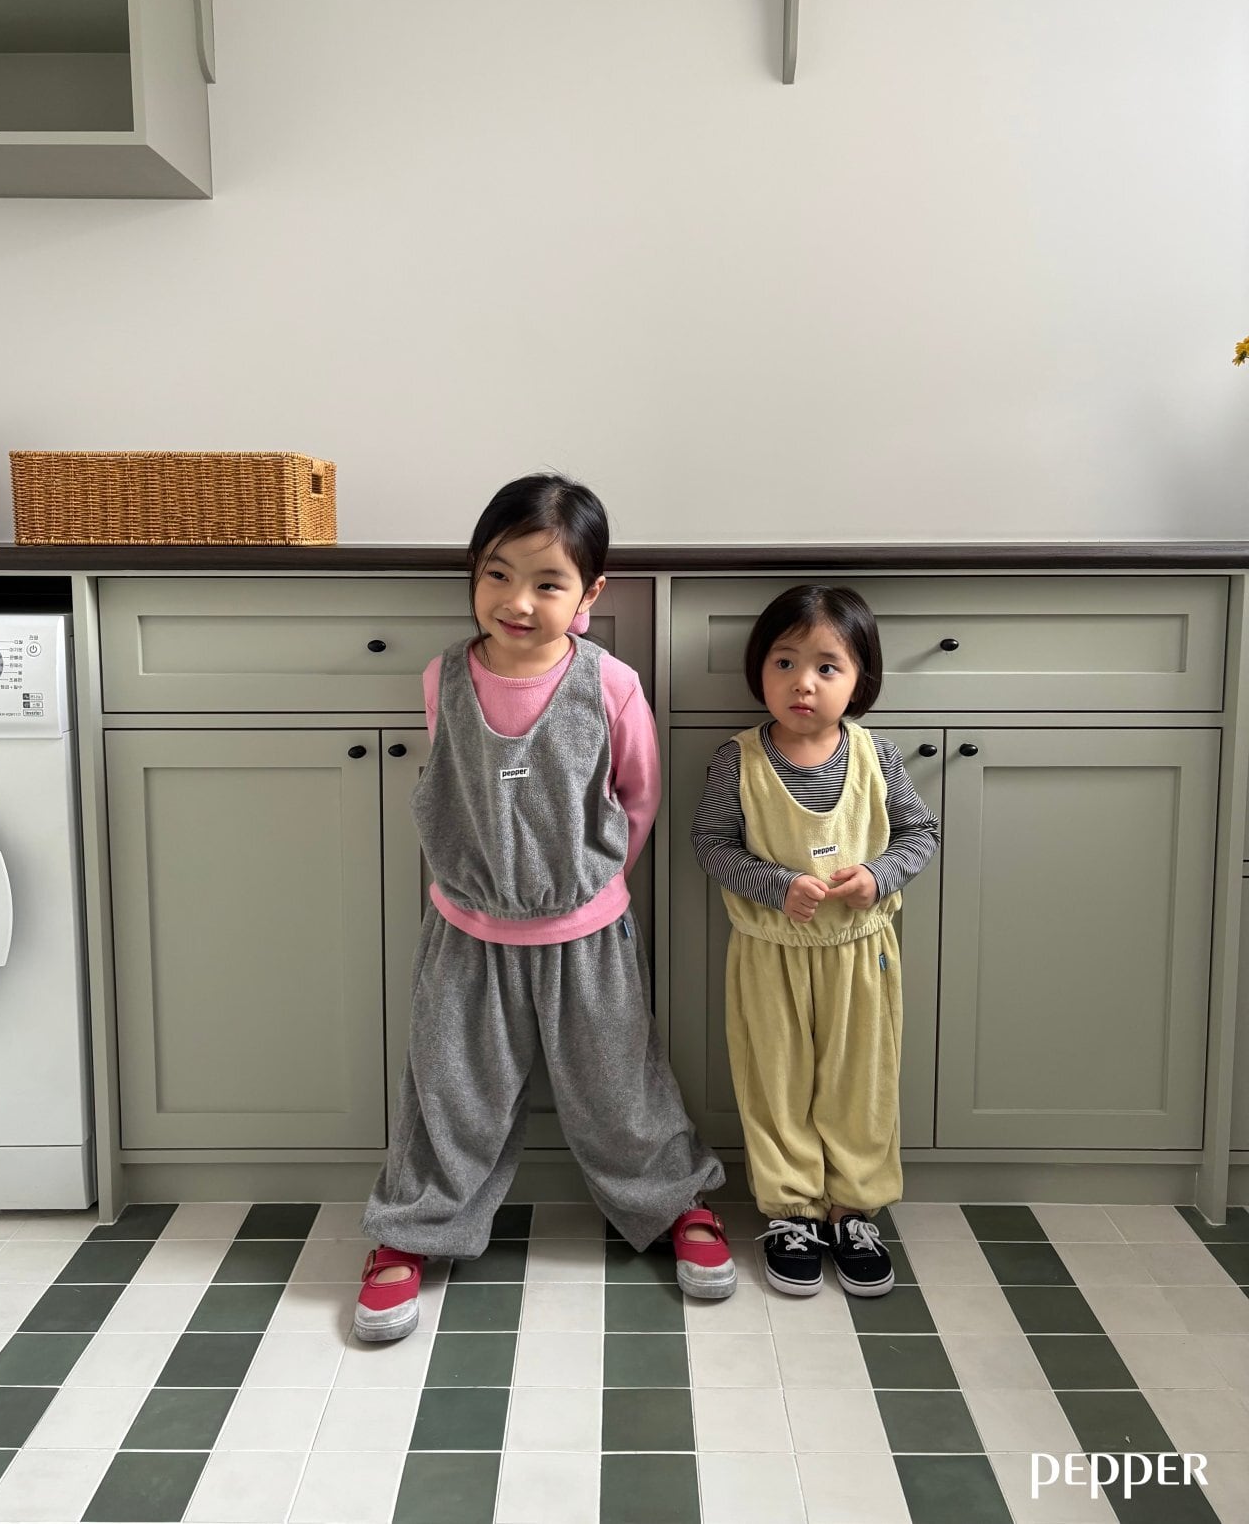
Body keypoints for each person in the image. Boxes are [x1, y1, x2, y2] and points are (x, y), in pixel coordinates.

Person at [356, 473, 734, 1339]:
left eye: (547, 582)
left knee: (619, 1084)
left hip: (587, 935)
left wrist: (589, 886)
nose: (518, 601)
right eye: (497, 574)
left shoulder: (611, 684)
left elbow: (638, 796)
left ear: (590, 594)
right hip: (466, 932)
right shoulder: (443, 678)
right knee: (448, 1087)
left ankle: (676, 1200)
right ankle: (411, 1227)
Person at [691, 584, 939, 1298]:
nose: (803, 682)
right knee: (776, 1082)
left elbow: (921, 832)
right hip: (768, 952)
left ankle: (853, 1209)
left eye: (827, 666)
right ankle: (792, 1211)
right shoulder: (738, 760)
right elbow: (711, 842)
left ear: (860, 679)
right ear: (759, 669)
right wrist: (776, 884)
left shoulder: (876, 756)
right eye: (785, 662)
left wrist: (878, 875)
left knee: (862, 1082)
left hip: (862, 953)